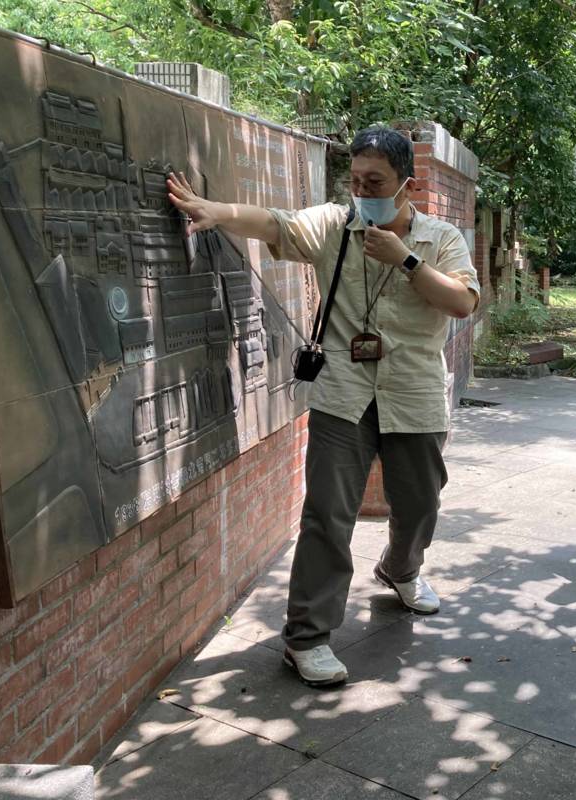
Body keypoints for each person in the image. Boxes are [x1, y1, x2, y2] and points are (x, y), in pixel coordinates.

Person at [166, 126, 480, 686]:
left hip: (414, 391)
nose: (362, 190)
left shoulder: (441, 238)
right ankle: (306, 636)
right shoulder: (335, 224)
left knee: (420, 506)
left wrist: (406, 260)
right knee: (328, 515)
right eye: (356, 179)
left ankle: (401, 570)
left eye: (375, 181)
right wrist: (216, 211)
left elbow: (461, 302)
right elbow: (276, 224)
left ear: (406, 183)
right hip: (344, 393)